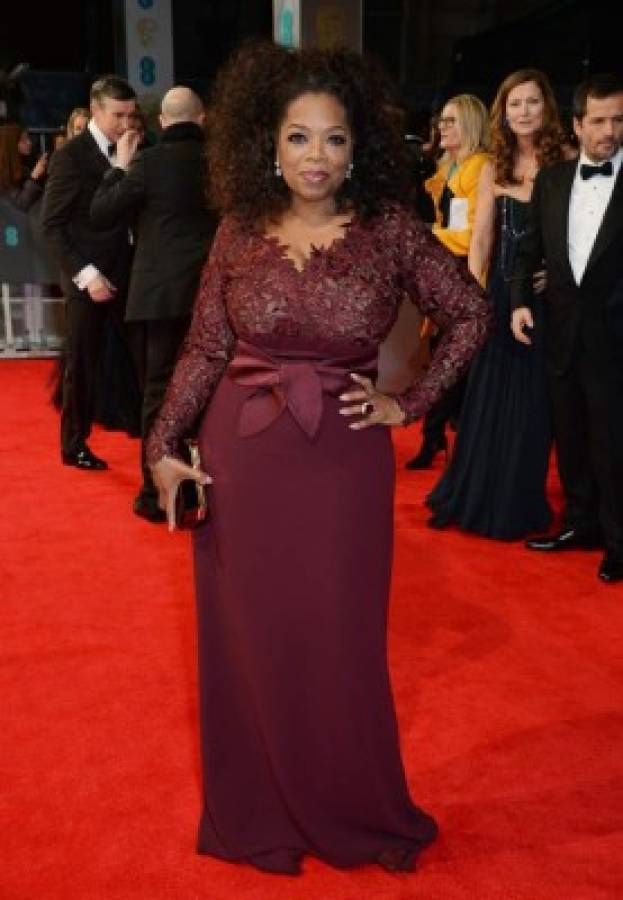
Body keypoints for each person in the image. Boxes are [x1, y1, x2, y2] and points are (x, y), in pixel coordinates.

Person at [146, 42, 491, 876]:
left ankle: (346, 801)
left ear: (358, 146)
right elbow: (204, 348)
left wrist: (406, 403)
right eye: (297, 137)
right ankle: (258, 803)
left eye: (334, 139)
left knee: (339, 637)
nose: (315, 156)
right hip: (243, 456)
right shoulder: (238, 229)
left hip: (343, 461)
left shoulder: (390, 232)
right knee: (250, 638)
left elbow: (471, 313)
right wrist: (162, 446)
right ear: (267, 144)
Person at [427, 69, 569, 539]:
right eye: (515, 104)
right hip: (498, 297)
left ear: (547, 107)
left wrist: (559, 274)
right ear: (503, 114)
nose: (524, 112)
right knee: (487, 402)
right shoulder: (493, 166)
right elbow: (482, 240)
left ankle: (518, 500)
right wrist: (471, 302)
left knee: (532, 407)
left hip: (547, 304)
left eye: (532, 102)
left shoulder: (567, 160)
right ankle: (479, 494)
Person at [511, 72, 623, 582]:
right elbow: (529, 248)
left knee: (612, 441)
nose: (609, 131)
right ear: (577, 124)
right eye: (598, 121)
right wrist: (519, 301)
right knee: (570, 433)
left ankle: (618, 541)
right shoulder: (553, 180)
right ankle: (580, 524)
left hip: (614, 336)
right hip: (560, 330)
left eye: (618, 120)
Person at [90, 86, 218, 523]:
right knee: (215, 391)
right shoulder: (221, 163)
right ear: (202, 118)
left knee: (159, 393)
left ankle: (156, 493)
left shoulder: (148, 162)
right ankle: (213, 489)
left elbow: (101, 212)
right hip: (214, 294)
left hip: (159, 296)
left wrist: (119, 168)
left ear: (163, 122)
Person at [41, 75, 138, 471]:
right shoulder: (71, 157)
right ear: (96, 110)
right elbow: (52, 226)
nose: (126, 123)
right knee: (82, 365)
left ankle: (142, 427)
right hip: (88, 278)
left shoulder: (136, 148)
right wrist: (87, 275)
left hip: (129, 272)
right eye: (118, 115)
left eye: (131, 115)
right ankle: (74, 444)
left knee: (140, 359)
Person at [405, 94, 490, 469]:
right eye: (441, 121)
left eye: (451, 121)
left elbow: (473, 235)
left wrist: (430, 235)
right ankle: (435, 435)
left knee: (453, 363)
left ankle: (439, 436)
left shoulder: (480, 166)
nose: (442, 127)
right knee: (442, 359)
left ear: (470, 124)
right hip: (446, 274)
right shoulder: (448, 167)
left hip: (469, 275)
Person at [0, 123, 47, 211]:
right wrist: (34, 177)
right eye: (23, 140)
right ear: (11, 145)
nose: (29, 143)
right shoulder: (3, 174)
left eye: (28, 138)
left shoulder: (27, 162)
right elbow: (21, 204)